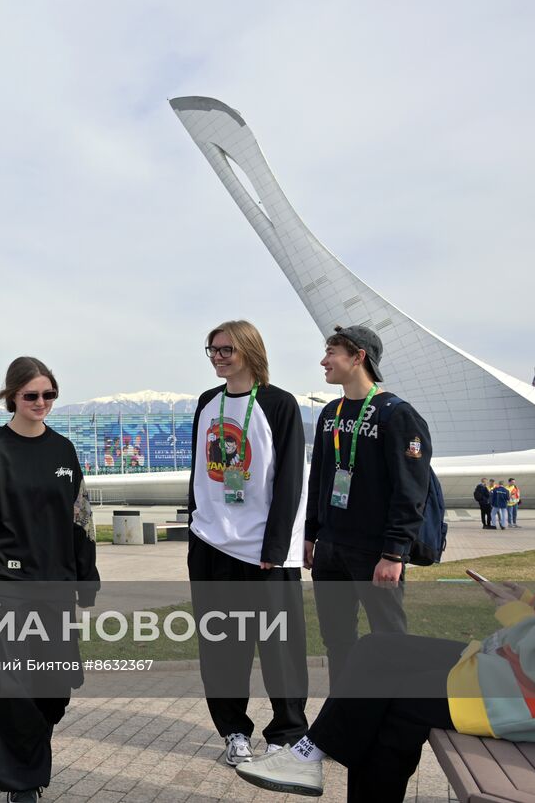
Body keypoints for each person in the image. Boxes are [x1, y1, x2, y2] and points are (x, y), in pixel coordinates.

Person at [236, 459, 535, 801]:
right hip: (512, 674)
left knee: (392, 706)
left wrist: (519, 617)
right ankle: (309, 753)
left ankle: (308, 756)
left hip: (532, 701)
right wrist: (527, 601)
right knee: (377, 648)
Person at [0, 356, 99, 802]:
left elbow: (82, 519)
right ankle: (22, 783)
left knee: (54, 691)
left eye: (48, 395)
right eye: (31, 395)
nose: (41, 402)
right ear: (12, 397)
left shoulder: (64, 451)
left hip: (57, 589)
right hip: (8, 591)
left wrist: (86, 578)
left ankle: (29, 753)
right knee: (13, 688)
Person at [187, 321, 309, 766]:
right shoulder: (207, 404)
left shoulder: (279, 404)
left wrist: (275, 549)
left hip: (263, 552)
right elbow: (199, 475)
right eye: (212, 350)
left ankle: (287, 734)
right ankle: (234, 731)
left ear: (249, 351)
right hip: (211, 544)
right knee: (221, 649)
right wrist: (197, 528)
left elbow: (290, 479)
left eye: (226, 349)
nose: (218, 357)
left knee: (280, 645)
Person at [306, 325, 433, 691]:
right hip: (330, 549)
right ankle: (341, 723)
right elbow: (321, 479)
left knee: (389, 639)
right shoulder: (330, 412)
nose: (323, 360)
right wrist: (312, 534)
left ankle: (388, 722)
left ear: (358, 356)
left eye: (332, 352)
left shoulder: (396, 414)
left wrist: (394, 552)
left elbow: (411, 490)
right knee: (337, 642)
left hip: (375, 553)